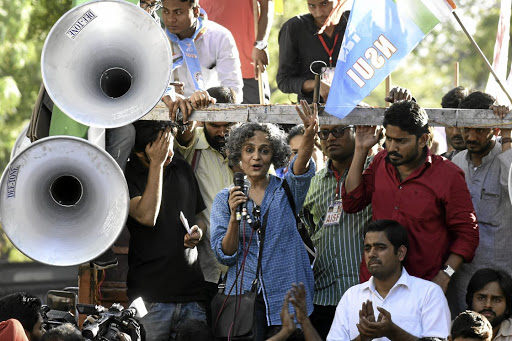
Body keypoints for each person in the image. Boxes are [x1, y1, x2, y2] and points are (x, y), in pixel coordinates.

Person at [342, 100, 479, 292]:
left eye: (401, 141)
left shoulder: (448, 175)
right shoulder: (381, 161)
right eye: (388, 139)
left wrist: (445, 274)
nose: (392, 147)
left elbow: (467, 234)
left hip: (422, 288)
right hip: (375, 286)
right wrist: (360, 150)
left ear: (423, 140)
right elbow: (351, 202)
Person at [210, 100, 319, 340]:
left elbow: (300, 167)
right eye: (249, 149)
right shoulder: (224, 199)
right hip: (243, 300)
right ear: (239, 154)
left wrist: (309, 134)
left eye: (264, 150)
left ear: (274, 155)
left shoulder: (287, 190)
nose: (256, 157)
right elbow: (224, 254)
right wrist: (234, 220)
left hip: (288, 294)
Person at [124, 120, 207, 341]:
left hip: (192, 295)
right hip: (150, 300)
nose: (168, 153)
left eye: (168, 144)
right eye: (159, 148)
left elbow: (198, 216)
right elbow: (147, 215)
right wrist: (156, 166)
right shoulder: (128, 174)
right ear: (140, 153)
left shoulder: (181, 166)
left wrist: (198, 232)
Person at [301, 120, 372, 339]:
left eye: (338, 131)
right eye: (324, 133)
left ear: (357, 131)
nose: (331, 138)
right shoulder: (314, 182)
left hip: (365, 291)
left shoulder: (375, 172)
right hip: (323, 294)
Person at [327, 220, 451, 341]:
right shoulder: (351, 296)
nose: (371, 254)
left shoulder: (429, 293)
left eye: (380, 247)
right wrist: (363, 338)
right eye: (367, 248)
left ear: (400, 253)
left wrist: (392, 332)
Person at [446, 91, 512, 317]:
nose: (471, 137)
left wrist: (507, 133)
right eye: (467, 129)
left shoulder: (507, 157)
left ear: (493, 129)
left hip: (501, 279)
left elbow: (510, 184)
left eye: (480, 130)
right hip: (463, 277)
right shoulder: (456, 162)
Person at [174, 86, 237, 322]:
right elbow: (183, 137)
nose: (221, 132)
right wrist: (191, 106)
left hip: (241, 271)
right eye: (214, 125)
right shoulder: (192, 148)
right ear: (203, 123)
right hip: (203, 269)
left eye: (227, 125)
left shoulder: (247, 151)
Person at [161, 0, 244, 119]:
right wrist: (169, 94)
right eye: (166, 11)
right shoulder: (158, 38)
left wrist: (208, 108)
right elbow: (155, 89)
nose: (170, 19)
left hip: (213, 116)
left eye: (178, 12)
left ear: (195, 11)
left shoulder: (220, 37)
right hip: (172, 116)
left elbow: (233, 89)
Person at [200, 0, 273, 104]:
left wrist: (261, 43)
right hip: (208, 68)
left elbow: (267, 7)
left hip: (249, 68)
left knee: (257, 117)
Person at [277, 0, 349, 103]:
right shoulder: (294, 28)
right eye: (312, 6)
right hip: (311, 110)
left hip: (351, 106)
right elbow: (284, 81)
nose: (319, 13)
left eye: (324, 3)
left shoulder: (354, 23)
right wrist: (317, 84)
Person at [465, 268, 512, 340]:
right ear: (470, 300)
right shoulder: (450, 330)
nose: (488, 305)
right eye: (481, 298)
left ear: (507, 307)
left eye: (496, 300)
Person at [441, 86, 469, 160]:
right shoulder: (441, 163)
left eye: (460, 124)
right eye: (449, 125)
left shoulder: (497, 156)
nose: (455, 132)